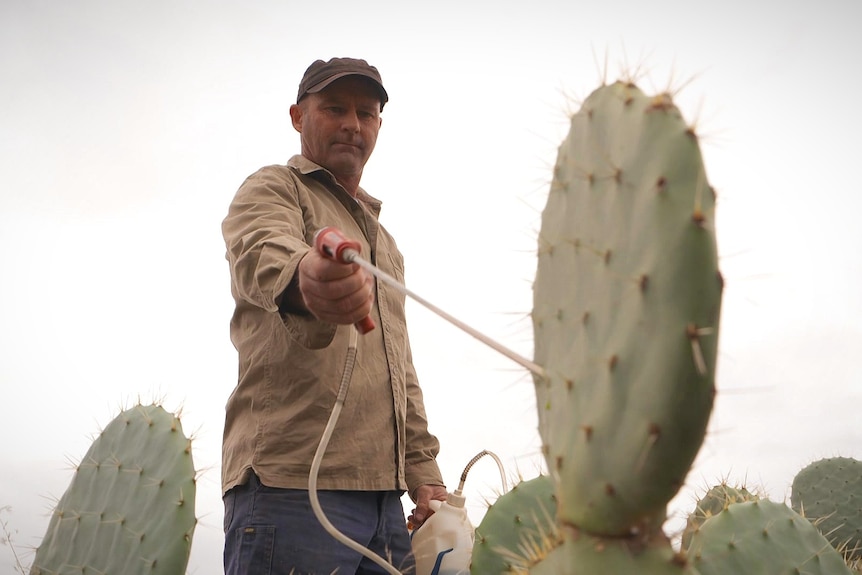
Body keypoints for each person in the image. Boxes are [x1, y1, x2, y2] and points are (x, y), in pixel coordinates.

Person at [220, 57, 448, 574]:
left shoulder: (384, 243)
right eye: (335, 108)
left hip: (386, 503)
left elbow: (400, 369)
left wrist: (424, 472)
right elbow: (261, 248)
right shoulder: (274, 188)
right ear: (298, 116)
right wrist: (308, 277)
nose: (352, 123)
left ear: (378, 127)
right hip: (292, 487)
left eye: (366, 113)